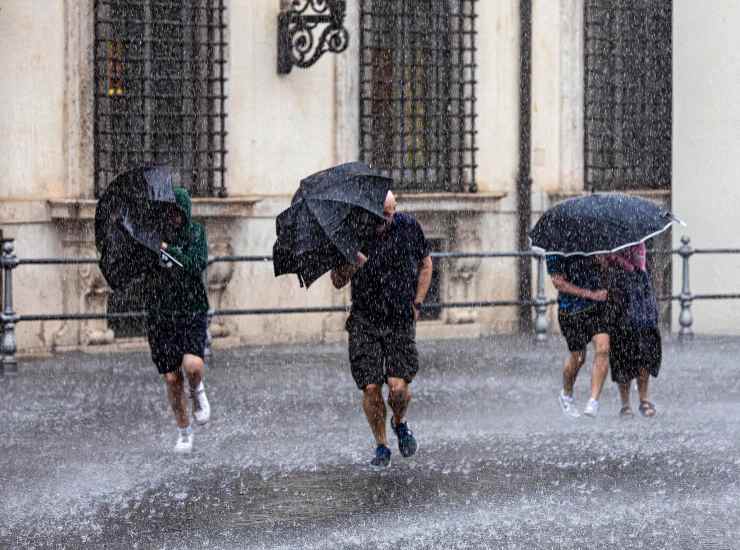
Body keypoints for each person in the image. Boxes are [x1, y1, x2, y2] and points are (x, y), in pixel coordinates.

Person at [331, 190, 433, 469]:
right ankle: (382, 445)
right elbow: (336, 281)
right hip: (365, 319)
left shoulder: (408, 227)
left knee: (398, 388)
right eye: (384, 213)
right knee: (371, 387)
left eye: (393, 211)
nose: (389, 218)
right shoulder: (353, 233)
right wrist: (353, 263)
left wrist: (418, 302)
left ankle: (399, 422)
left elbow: (426, 264)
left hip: (400, 317)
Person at [147, 187, 211, 453]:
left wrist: (168, 250)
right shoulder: (151, 236)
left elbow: (195, 264)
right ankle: (184, 431)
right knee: (172, 380)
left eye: (177, 212)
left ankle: (198, 394)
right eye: (169, 212)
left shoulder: (195, 233)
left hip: (191, 310)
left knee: (193, 366)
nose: (173, 217)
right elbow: (142, 271)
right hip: (160, 315)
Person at [602, 243, 661, 418]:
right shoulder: (607, 240)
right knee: (621, 350)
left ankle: (643, 399)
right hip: (618, 297)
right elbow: (603, 268)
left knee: (645, 349)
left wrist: (620, 260)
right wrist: (610, 258)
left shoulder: (637, 239)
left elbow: (640, 266)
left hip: (639, 297)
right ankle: (626, 403)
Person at [546, 255, 610, 418]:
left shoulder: (593, 238)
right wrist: (589, 294)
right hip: (570, 310)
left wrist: (601, 261)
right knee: (579, 358)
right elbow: (558, 283)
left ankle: (593, 401)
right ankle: (566, 394)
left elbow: (605, 269)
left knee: (603, 348)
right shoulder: (556, 247)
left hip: (596, 307)